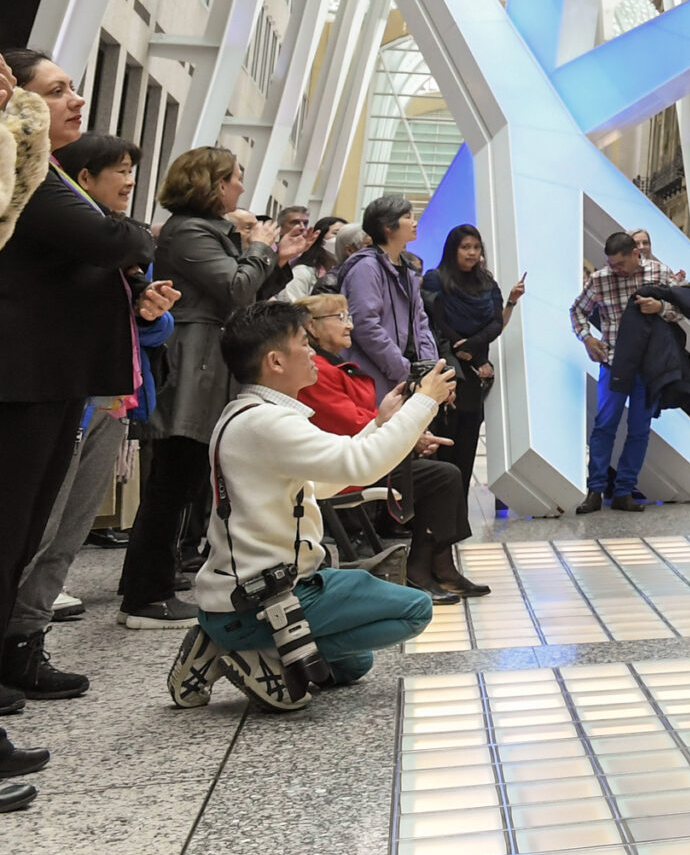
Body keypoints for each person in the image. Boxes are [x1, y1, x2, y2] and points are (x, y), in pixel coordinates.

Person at [165, 302, 455, 714]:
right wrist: (424, 402)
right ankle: (256, 653)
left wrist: (382, 423)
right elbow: (361, 464)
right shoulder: (268, 423)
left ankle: (225, 643)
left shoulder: (249, 414)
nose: (312, 353)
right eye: (304, 343)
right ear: (275, 361)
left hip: (240, 598)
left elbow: (321, 484)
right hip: (263, 600)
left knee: (354, 664)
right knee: (415, 610)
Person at [4, 134, 176, 706]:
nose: (129, 181)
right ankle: (14, 642)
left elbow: (148, 327)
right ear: (81, 179)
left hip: (108, 399)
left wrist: (146, 305)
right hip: (58, 393)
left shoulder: (108, 246)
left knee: (67, 530)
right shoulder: (51, 210)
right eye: (118, 171)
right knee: (35, 530)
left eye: (131, 170)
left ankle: (26, 642)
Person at [121, 146, 312, 628]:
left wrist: (276, 261)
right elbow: (236, 288)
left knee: (182, 478)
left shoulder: (205, 230)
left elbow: (248, 293)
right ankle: (146, 594)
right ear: (213, 183)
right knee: (174, 478)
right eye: (235, 178)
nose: (241, 187)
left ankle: (148, 583)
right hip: (194, 359)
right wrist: (261, 249)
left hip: (207, 357)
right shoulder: (189, 230)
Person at [295, 294, 485, 601]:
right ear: (311, 326)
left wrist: (409, 435)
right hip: (343, 467)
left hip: (359, 453)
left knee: (444, 473)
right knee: (443, 476)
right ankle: (423, 569)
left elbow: (369, 419)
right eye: (340, 318)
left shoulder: (332, 364)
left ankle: (440, 566)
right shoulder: (317, 370)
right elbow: (351, 424)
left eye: (349, 316)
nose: (350, 325)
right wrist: (409, 435)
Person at [569, 230, 690, 512]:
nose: (615, 270)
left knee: (639, 428)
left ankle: (624, 491)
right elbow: (577, 310)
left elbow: (681, 310)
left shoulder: (658, 272)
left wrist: (660, 307)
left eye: (620, 264)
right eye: (611, 264)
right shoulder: (600, 279)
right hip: (613, 361)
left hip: (648, 365)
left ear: (636, 254)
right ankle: (595, 490)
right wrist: (587, 339)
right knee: (604, 425)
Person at [420, 224, 522, 490]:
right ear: (453, 249)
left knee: (467, 446)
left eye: (476, 247)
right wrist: (458, 347)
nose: (472, 253)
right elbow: (435, 321)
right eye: (465, 247)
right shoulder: (435, 279)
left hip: (476, 373)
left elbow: (496, 323)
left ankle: (459, 508)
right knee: (444, 445)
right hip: (447, 370)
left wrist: (473, 346)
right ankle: (439, 507)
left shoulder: (487, 283)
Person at [337, 195, 437, 405]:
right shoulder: (366, 267)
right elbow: (365, 326)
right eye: (407, 217)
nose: (414, 222)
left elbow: (421, 322)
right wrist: (404, 370)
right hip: (374, 377)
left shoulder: (407, 270)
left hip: (407, 378)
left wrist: (429, 369)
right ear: (388, 227)